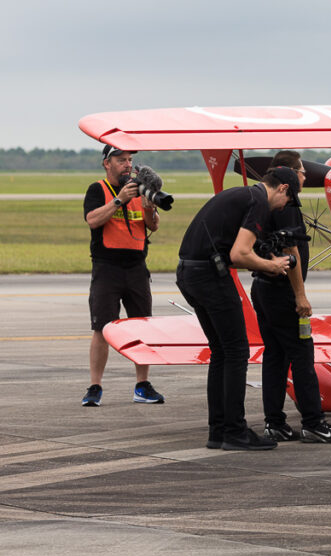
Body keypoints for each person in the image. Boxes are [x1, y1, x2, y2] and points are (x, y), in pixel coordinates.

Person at [176, 167, 299, 451]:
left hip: (188, 273)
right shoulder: (258, 202)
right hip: (209, 277)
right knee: (236, 351)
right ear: (282, 189)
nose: (286, 207)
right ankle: (235, 431)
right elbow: (239, 254)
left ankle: (218, 430)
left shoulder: (239, 195)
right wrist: (272, 265)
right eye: (289, 200)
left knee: (221, 352)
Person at [253, 151, 331, 444]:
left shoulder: (261, 200)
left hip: (262, 287)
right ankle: (314, 422)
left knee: (274, 357)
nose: (306, 177)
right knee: (303, 356)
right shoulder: (289, 202)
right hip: (283, 292)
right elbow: (291, 251)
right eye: (303, 172)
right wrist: (300, 296)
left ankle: (275, 423)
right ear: (291, 175)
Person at [82, 144, 163, 407]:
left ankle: (142, 385)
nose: (127, 165)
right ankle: (95, 386)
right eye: (121, 160)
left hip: (137, 268)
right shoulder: (98, 189)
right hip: (107, 268)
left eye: (129, 160)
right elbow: (93, 220)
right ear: (107, 163)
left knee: (142, 327)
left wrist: (149, 206)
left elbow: (153, 226)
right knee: (102, 328)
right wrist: (119, 200)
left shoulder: (140, 189)